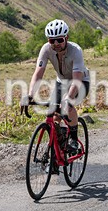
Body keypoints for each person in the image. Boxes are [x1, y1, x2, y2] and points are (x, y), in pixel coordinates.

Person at [21, 19, 90, 155]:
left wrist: (69, 98)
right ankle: (58, 144)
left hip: (81, 81)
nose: (56, 44)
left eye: (59, 40)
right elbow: (38, 73)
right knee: (54, 114)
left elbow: (77, 79)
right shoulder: (46, 49)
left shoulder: (76, 51)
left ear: (66, 38)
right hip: (62, 81)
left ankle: (74, 139)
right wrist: (30, 94)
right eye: (52, 41)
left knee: (67, 104)